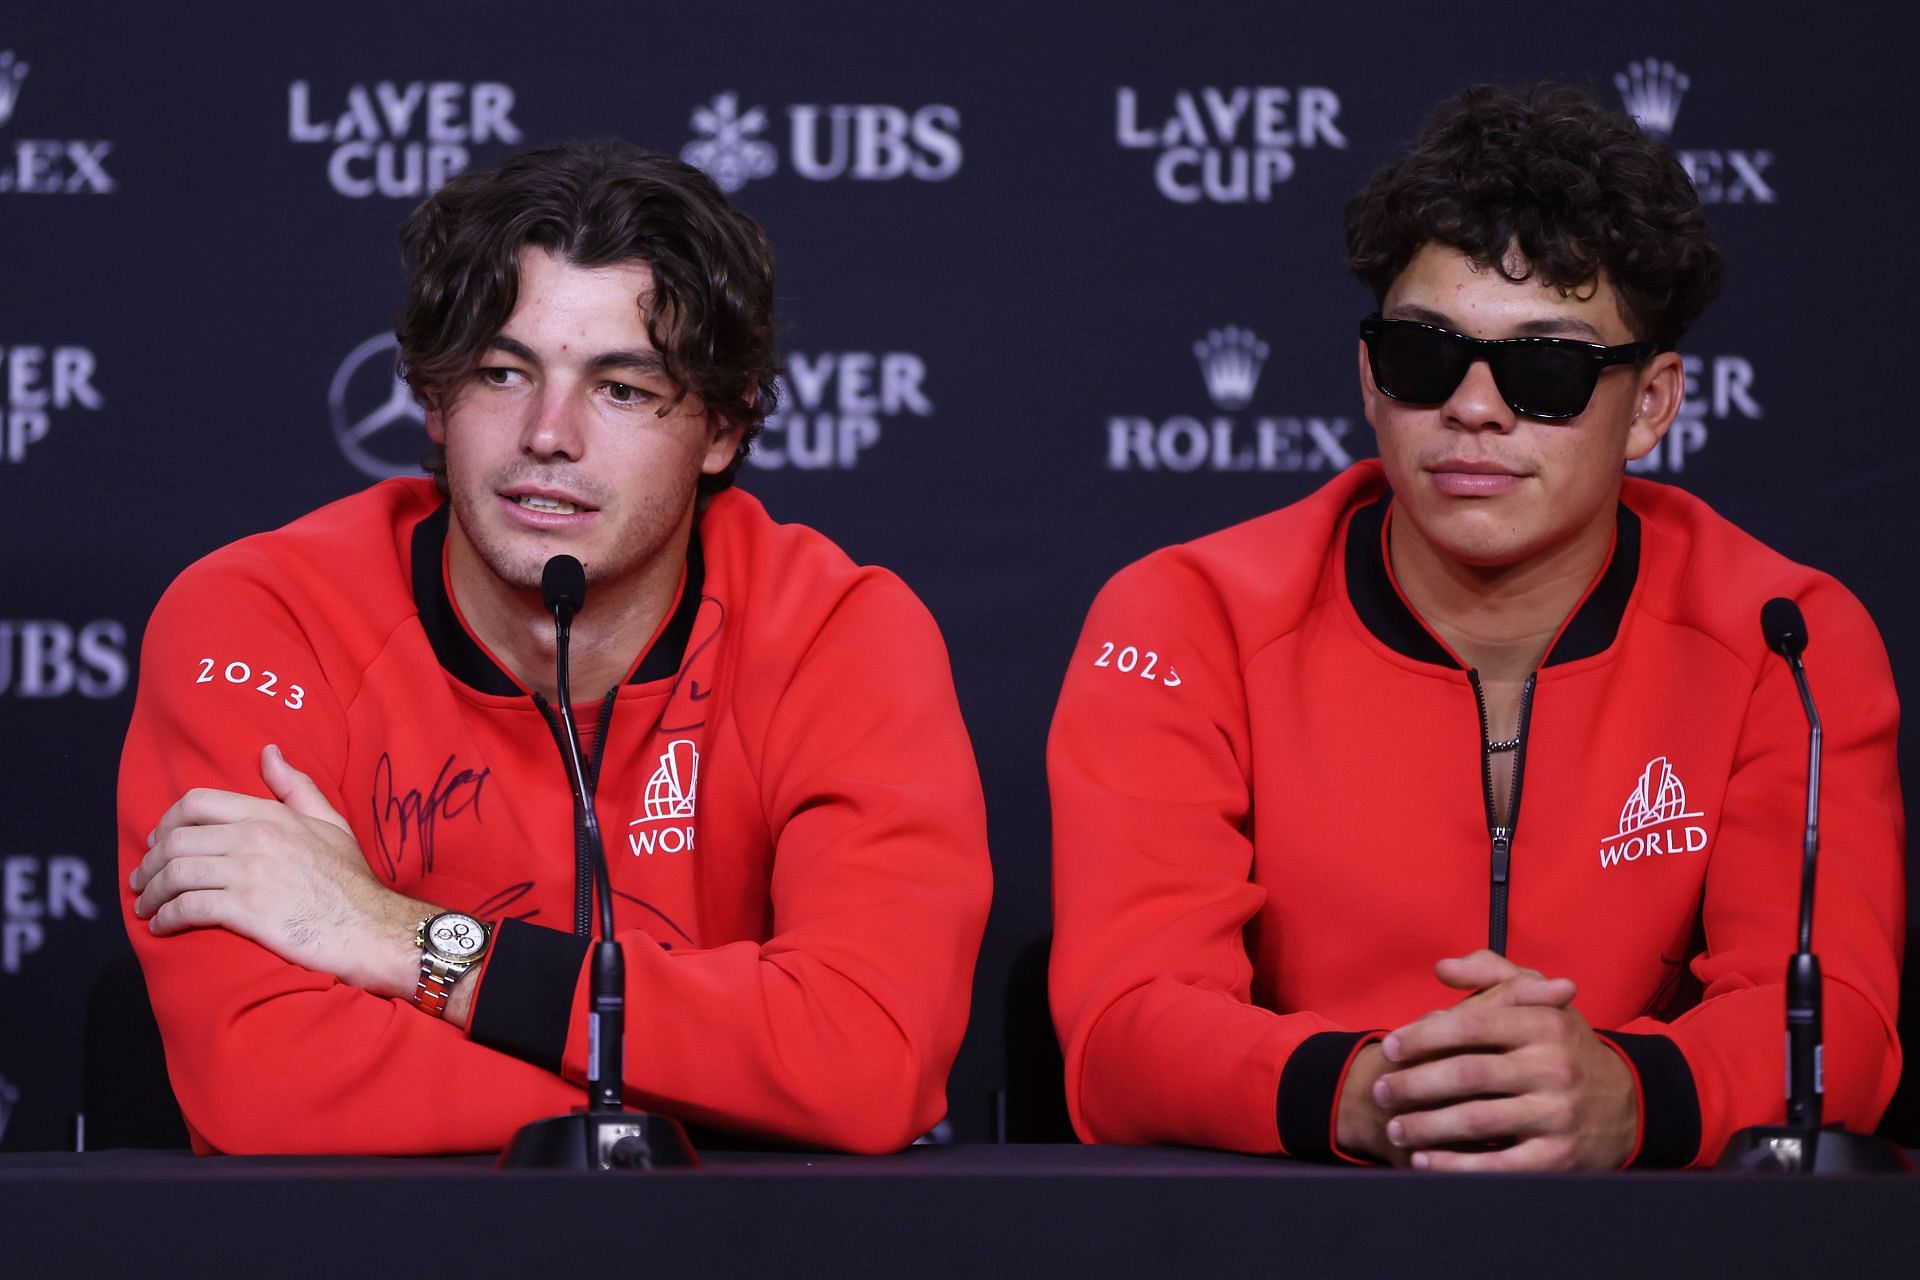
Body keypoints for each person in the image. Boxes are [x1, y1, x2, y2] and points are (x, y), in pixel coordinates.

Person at [1047, 84, 1904, 1170]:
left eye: (1545, 369)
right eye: (1425, 356)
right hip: (1298, 1229)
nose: (1476, 408)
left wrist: (1620, 1098)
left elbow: (1838, 1027)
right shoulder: (1189, 615)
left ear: (1652, 403)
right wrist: (1378, 1094)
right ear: (1370, 376)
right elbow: (1126, 1019)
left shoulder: (1785, 635)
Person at [118, 140, 992, 1156]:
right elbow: (263, 1083)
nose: (549, 433)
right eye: (502, 371)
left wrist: (400, 937)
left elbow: (865, 1059)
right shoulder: (262, 616)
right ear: (434, 398)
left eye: (621, 388)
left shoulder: (840, 632)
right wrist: (734, 1088)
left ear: (724, 424)